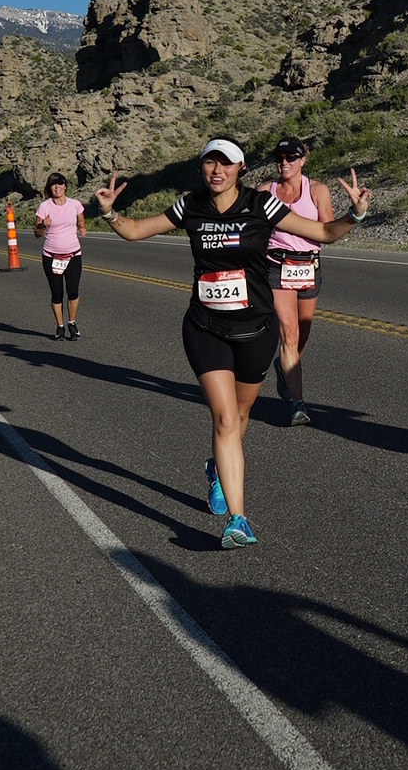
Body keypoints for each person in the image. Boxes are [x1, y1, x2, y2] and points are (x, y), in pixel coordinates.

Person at [94, 137, 370, 549]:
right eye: (210, 163)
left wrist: (356, 214)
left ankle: (216, 467)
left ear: (241, 168)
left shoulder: (261, 205)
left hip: (256, 331)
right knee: (224, 420)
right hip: (205, 329)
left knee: (240, 416)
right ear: (202, 167)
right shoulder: (191, 205)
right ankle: (238, 520)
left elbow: (324, 232)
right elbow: (135, 231)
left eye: (226, 163)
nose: (217, 170)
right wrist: (109, 212)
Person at [258, 136, 333, 426]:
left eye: (291, 157)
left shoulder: (317, 190)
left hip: (308, 266)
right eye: (279, 158)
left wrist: (356, 213)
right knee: (289, 334)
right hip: (277, 266)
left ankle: (284, 366)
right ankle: (298, 404)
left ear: (303, 159)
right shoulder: (265, 191)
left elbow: (329, 230)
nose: (284, 162)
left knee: (302, 334)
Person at [34, 172, 87, 340]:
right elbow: (37, 233)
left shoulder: (75, 204)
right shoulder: (45, 207)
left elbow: (80, 220)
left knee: (73, 291)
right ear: (49, 188)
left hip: (73, 254)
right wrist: (43, 225)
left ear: (65, 186)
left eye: (60, 184)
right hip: (51, 256)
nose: (57, 187)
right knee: (57, 293)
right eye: (53, 184)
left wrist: (82, 227)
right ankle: (60, 326)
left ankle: (72, 322)